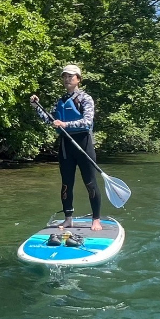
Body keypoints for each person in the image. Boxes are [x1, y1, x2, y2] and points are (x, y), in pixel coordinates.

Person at [31, 64, 103, 233]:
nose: (67, 79)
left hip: (83, 143)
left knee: (90, 183)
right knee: (66, 184)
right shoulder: (61, 101)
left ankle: (96, 219)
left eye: (71, 76)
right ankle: (68, 218)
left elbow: (87, 122)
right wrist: (37, 107)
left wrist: (65, 124)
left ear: (78, 79)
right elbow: (52, 121)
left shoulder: (86, 99)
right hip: (66, 146)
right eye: (65, 76)